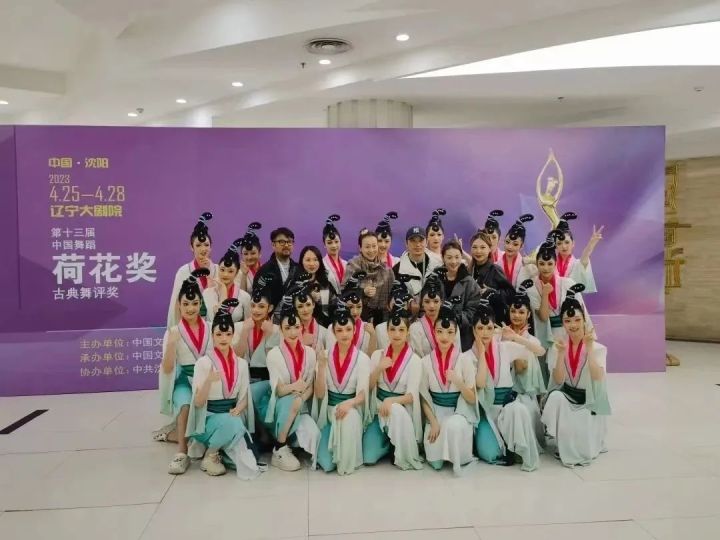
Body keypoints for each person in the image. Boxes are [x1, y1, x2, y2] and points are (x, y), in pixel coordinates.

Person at [185, 299, 259, 479]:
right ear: (212, 336)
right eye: (219, 334)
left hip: (232, 416)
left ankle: (221, 451)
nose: (223, 338)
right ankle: (210, 454)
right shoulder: (203, 363)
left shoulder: (241, 364)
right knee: (233, 424)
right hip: (207, 419)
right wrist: (209, 381)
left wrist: (239, 409)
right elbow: (198, 402)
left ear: (233, 335)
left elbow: (244, 396)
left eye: (228, 334)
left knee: (250, 462)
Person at [469, 302, 543, 472]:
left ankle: (517, 448)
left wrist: (516, 337)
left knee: (519, 409)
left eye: (489, 328)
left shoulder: (505, 348)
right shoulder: (468, 356)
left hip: (506, 406)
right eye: (480, 328)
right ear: (473, 330)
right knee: (490, 454)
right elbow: (480, 384)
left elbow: (540, 351)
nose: (485, 333)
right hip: (486, 411)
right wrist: (482, 353)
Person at [542, 292, 610, 467]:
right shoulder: (558, 347)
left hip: (588, 401)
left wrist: (589, 348)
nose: (572, 325)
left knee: (584, 451)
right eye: (567, 321)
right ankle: (561, 439)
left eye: (577, 320)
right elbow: (558, 380)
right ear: (563, 323)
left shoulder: (598, 348)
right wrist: (560, 354)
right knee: (555, 397)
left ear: (584, 321)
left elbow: (597, 377)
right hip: (568, 397)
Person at [157, 269, 213, 473]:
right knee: (185, 406)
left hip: (207, 379)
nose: (190, 308)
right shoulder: (173, 332)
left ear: (200, 304)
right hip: (185, 380)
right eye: (186, 304)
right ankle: (181, 453)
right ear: (179, 306)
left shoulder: (211, 327)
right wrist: (172, 344)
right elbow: (167, 368)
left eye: (195, 303)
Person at [419, 298, 477, 474]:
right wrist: (433, 422)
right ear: (434, 333)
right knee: (435, 463)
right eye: (440, 332)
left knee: (453, 426)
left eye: (450, 332)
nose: (444, 337)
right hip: (436, 412)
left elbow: (472, 399)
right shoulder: (425, 361)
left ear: (455, 334)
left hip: (460, 412)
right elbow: (424, 398)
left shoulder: (465, 360)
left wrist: (458, 382)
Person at [313, 302, 372, 475]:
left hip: (351, 409)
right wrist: (321, 367)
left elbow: (362, 395)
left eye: (348, 329)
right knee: (326, 463)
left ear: (354, 331)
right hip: (329, 411)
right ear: (333, 332)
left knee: (347, 418)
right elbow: (319, 394)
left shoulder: (362, 358)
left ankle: (346, 462)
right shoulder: (324, 356)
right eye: (339, 330)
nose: (344, 334)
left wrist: (349, 404)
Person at [363, 305, 424, 470]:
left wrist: (391, 401)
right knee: (368, 456)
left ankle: (398, 443)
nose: (397, 334)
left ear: (408, 332)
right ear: (387, 331)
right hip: (379, 408)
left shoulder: (414, 360)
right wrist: (378, 368)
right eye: (392, 329)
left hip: (401, 410)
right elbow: (369, 387)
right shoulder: (378, 355)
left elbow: (411, 396)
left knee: (396, 410)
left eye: (401, 330)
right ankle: (389, 442)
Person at [264, 298, 321, 471]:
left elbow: (310, 386)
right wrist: (295, 386)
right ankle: (279, 448)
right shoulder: (274, 354)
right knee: (292, 403)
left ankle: (292, 443)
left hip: (301, 403)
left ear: (302, 327)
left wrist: (301, 398)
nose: (293, 332)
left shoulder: (310, 353)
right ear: (281, 330)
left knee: (315, 436)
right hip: (282, 403)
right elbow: (279, 390)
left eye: (296, 327)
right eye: (288, 328)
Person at [526, 241, 592, 352]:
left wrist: (588, 334)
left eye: (549, 264)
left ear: (555, 263)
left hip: (570, 331)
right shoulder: (531, 288)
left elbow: (582, 312)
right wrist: (545, 294)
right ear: (536, 264)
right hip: (547, 333)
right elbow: (543, 317)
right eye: (541, 264)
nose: (546, 268)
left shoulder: (568, 283)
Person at [234, 276, 279, 438]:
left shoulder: (277, 330)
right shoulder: (239, 327)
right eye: (253, 305)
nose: (256, 310)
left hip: (266, 380)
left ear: (270, 308)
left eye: (261, 306)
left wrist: (268, 336)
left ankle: (264, 434)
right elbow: (237, 356)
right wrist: (245, 332)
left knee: (252, 393)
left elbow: (273, 363)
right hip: (243, 378)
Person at [166, 212, 218, 326]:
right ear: (191, 247)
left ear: (211, 246)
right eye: (198, 245)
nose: (203, 249)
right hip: (190, 326)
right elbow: (175, 305)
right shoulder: (183, 272)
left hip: (215, 327)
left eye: (206, 245)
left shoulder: (219, 271)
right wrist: (173, 330)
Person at [344, 229, 394, 323]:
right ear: (360, 248)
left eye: (374, 246)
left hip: (381, 319)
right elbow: (344, 292)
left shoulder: (386, 270)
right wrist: (363, 292)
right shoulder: (352, 266)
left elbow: (392, 294)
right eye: (367, 247)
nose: (371, 250)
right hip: (355, 318)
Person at [439, 240, 483, 350]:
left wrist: (454, 318)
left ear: (461, 257)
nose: (453, 261)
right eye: (449, 257)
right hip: (437, 332)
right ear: (443, 258)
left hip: (462, 337)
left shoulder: (470, 282)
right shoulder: (435, 278)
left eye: (457, 257)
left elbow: (473, 311)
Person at [466, 230, 515, 323]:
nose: (478, 251)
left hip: (492, 321)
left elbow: (511, 293)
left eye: (482, 247)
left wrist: (492, 293)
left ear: (489, 249)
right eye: (474, 247)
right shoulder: (468, 270)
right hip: (472, 320)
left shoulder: (495, 269)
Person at [393, 226, 443, 315]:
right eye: (413, 241)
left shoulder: (437, 265)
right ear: (406, 243)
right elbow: (396, 292)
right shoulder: (398, 268)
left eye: (421, 240)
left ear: (426, 242)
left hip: (433, 312)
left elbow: (441, 289)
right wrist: (409, 301)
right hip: (408, 314)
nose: (417, 245)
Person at [409, 275, 461, 357]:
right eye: (427, 301)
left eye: (436, 301)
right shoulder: (415, 328)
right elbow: (416, 358)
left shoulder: (452, 326)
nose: (431, 306)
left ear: (441, 302)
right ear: (422, 303)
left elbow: (457, 355)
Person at [325, 274, 377, 355]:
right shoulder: (333, 328)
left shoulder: (367, 328)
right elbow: (330, 355)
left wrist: (373, 335)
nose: (355, 312)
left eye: (359, 307)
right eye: (350, 307)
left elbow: (372, 358)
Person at [553, 212, 603, 294]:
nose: (564, 246)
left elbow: (585, 256)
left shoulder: (576, 264)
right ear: (555, 246)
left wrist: (591, 243)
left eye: (567, 242)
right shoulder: (550, 263)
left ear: (573, 244)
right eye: (559, 243)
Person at [203, 238, 252, 323]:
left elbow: (248, 324)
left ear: (237, 273)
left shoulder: (245, 297)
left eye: (230, 271)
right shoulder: (207, 293)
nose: (225, 274)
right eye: (222, 270)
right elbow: (203, 322)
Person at [254, 227, 299, 313]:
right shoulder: (264, 270)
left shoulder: (298, 269)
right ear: (273, 245)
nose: (286, 245)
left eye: (289, 242)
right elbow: (257, 297)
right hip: (271, 317)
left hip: (295, 317)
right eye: (282, 242)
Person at [298, 246, 337, 326]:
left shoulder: (325, 283)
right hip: (302, 326)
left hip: (326, 326)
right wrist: (310, 297)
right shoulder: (297, 284)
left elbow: (336, 305)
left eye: (315, 260)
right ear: (302, 261)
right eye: (308, 260)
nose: (312, 264)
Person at [374, 274, 413, 351]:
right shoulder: (380, 329)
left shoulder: (413, 327)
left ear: (408, 306)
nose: (399, 306)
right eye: (395, 303)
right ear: (388, 305)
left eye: (403, 303)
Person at [498, 214, 534, 289]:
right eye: (507, 242)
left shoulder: (527, 266)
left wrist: (533, 261)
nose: (510, 247)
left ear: (522, 246)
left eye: (515, 244)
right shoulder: (496, 263)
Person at [292, 282, 328, 350]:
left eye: (308, 305)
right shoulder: (290, 332)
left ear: (313, 305)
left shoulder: (324, 332)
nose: (305, 310)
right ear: (295, 308)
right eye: (300, 306)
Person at [322, 214, 347, 296]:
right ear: (324, 244)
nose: (334, 245)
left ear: (340, 242)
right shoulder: (321, 264)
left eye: (336, 242)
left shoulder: (346, 264)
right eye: (329, 243)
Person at [238, 222, 263, 293]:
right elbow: (241, 296)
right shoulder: (236, 272)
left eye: (253, 253)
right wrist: (244, 275)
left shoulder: (266, 269)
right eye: (245, 254)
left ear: (260, 253)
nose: (249, 257)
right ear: (241, 255)